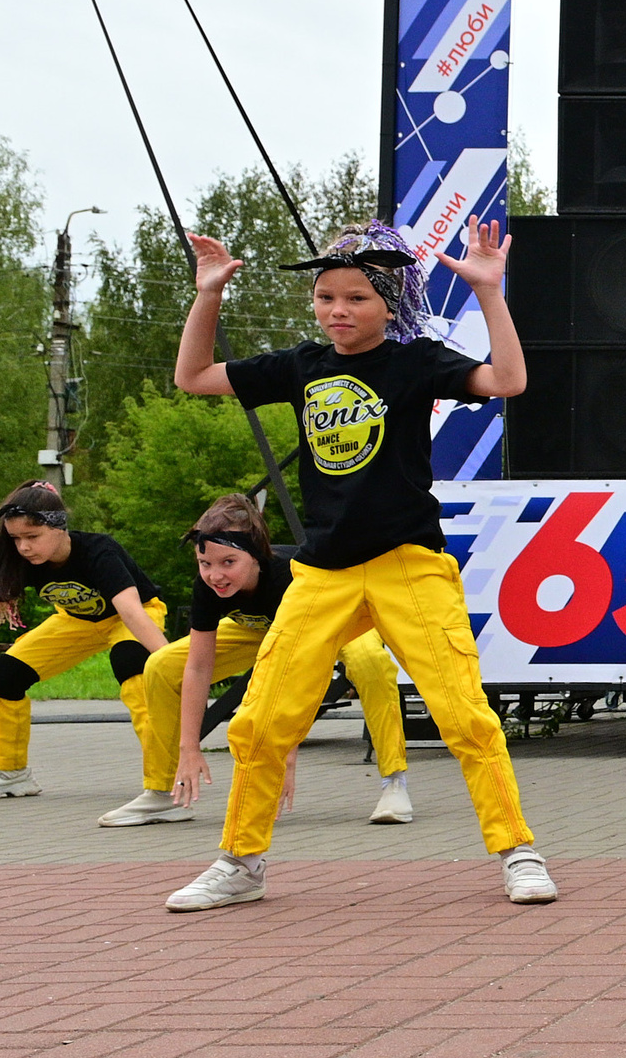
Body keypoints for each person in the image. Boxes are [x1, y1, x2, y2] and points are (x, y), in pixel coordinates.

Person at [162, 220, 555, 911]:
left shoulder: (416, 362)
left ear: (388, 303)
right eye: (325, 297)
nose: (337, 310)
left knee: (465, 715)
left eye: (356, 298)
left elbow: (510, 379)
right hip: (323, 572)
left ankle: (517, 850)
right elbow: (192, 376)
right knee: (260, 721)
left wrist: (490, 291)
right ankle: (241, 862)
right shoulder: (301, 365)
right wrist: (209, 294)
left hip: (409, 563)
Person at [97, 493, 414, 829]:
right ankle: (163, 794)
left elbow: (295, 672)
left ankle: (394, 781)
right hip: (259, 628)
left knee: (369, 661)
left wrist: (286, 756)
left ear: (255, 556)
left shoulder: (288, 577)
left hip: (335, 622)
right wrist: (189, 748)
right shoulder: (208, 586)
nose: (215, 575)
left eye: (228, 562)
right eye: (205, 563)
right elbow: (198, 666)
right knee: (162, 665)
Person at [0, 482, 166, 801]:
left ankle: (166, 783)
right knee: (3, 676)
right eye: (16, 538)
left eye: (32, 537)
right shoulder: (23, 563)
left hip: (132, 616)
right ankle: (11, 775)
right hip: (76, 622)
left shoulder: (99, 551)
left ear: (59, 527)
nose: (23, 547)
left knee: (133, 668)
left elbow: (130, 611)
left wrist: (172, 665)